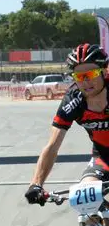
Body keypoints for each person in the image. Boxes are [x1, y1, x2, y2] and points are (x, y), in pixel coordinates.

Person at [26, 45, 109, 206]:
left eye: (91, 74)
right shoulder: (73, 101)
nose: (85, 81)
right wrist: (36, 184)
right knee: (87, 202)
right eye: (79, 76)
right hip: (103, 158)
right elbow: (52, 146)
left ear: (104, 71)